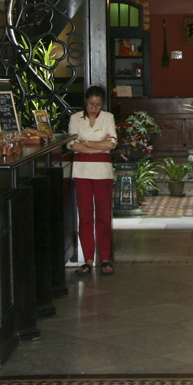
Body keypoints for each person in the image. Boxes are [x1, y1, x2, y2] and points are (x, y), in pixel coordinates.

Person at [67, 85, 117, 276]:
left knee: (103, 215)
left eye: (97, 105)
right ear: (85, 102)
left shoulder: (108, 117)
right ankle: (88, 259)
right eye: (90, 104)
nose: (93, 109)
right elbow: (73, 145)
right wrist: (99, 145)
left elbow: (111, 144)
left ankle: (104, 258)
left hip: (103, 172)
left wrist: (85, 143)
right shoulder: (75, 119)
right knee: (85, 215)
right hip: (82, 172)